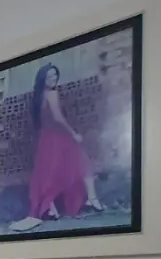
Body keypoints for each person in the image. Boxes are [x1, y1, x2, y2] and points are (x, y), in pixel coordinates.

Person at [8, 63, 105, 232]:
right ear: (42, 79)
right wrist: (73, 133)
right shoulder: (52, 94)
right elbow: (58, 117)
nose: (53, 79)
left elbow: (41, 121)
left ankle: (51, 209)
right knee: (82, 161)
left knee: (49, 172)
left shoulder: (38, 97)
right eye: (49, 77)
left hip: (46, 138)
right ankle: (91, 198)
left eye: (55, 75)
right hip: (58, 136)